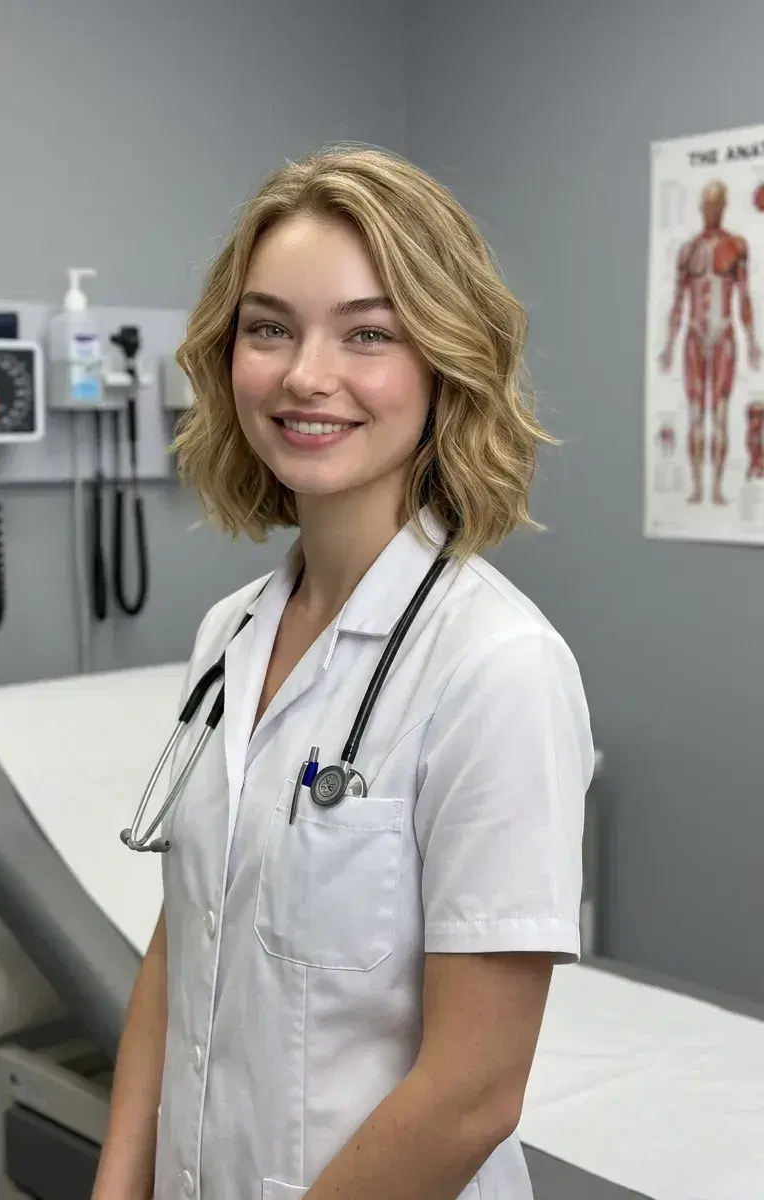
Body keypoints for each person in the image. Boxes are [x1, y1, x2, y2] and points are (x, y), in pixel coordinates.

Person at [92, 145, 593, 1200]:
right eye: (269, 327)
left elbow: (471, 1092)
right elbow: (185, 941)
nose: (303, 375)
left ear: (446, 360)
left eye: (366, 333)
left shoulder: (496, 667)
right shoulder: (229, 635)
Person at [659, 181, 761, 506]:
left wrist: (753, 341)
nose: (711, 209)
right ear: (702, 207)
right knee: (693, 414)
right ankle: (696, 487)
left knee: (718, 411)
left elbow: (743, 297)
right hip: (694, 336)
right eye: (707, 203)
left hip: (723, 336)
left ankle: (715, 487)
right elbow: (678, 299)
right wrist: (670, 344)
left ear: (724, 206)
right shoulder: (688, 250)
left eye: (716, 203)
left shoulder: (736, 245)